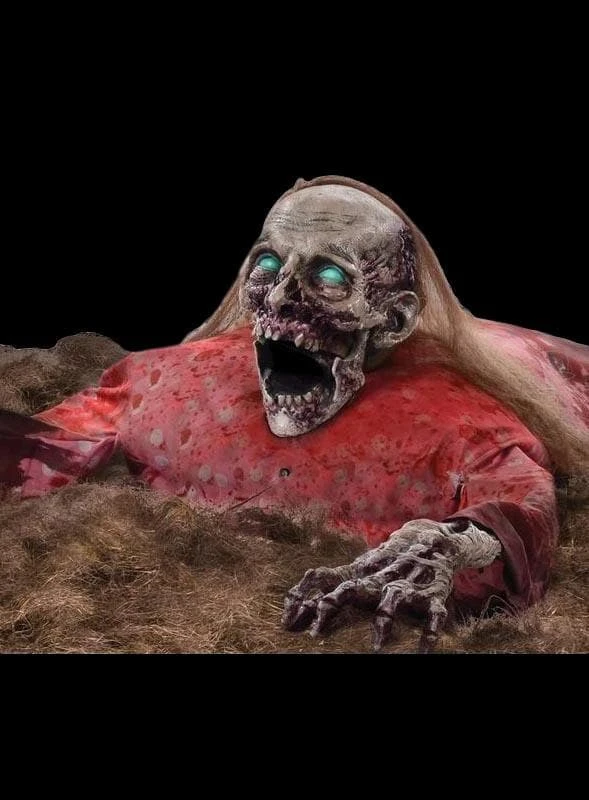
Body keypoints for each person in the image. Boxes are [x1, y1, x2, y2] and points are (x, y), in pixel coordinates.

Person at [1, 176, 587, 651]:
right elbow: (53, 440)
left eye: (329, 277)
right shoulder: (164, 383)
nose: (280, 297)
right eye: (266, 265)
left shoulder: (460, 427)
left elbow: (519, 498)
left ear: (394, 320)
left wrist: (450, 543)